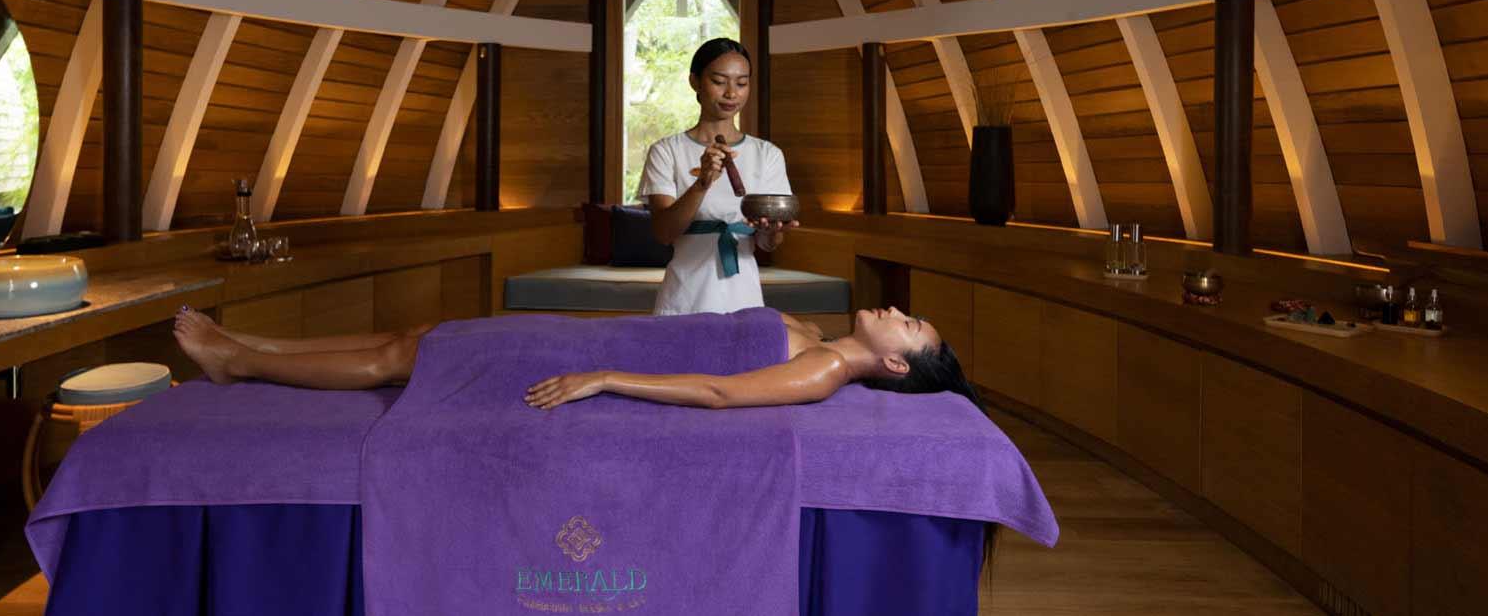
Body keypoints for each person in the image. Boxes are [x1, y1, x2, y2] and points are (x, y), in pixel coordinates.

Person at [171, 304, 977, 414]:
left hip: (599, 351)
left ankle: (240, 363)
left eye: (908, 326)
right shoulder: (819, 332)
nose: (896, 313)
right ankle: (256, 345)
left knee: (402, 358)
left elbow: (722, 393)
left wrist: (604, 378)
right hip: (604, 328)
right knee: (422, 333)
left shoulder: (823, 370)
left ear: (895, 365)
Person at [640, 37, 797, 315]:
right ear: (695, 81)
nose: (731, 93)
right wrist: (701, 184)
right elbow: (664, 233)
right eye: (719, 81)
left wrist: (772, 232)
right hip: (684, 298)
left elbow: (767, 243)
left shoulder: (767, 154)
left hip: (744, 296)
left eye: (741, 83)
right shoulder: (666, 151)